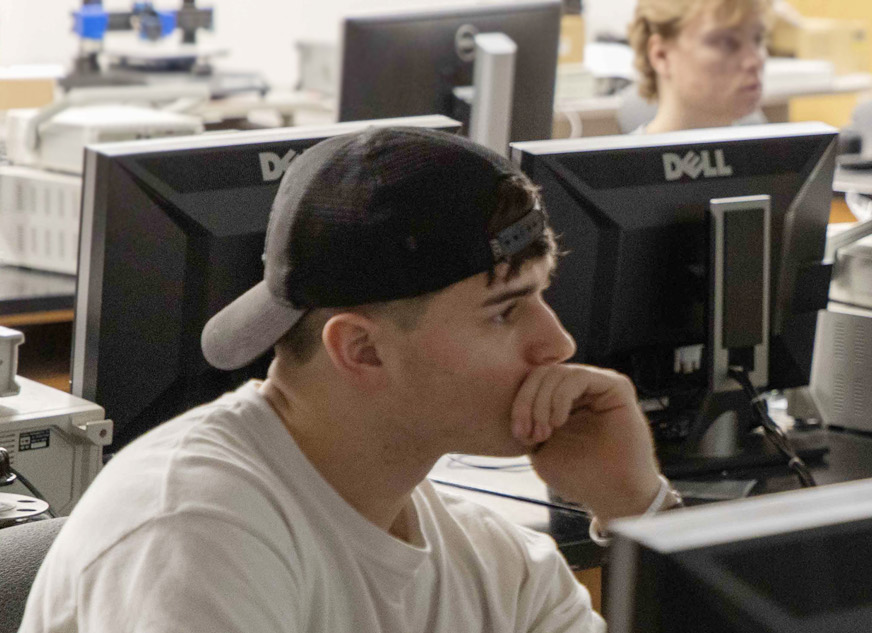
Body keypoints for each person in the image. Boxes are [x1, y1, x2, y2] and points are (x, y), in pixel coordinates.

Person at [22, 127, 673, 632]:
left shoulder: (498, 565)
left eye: (541, 296)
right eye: (504, 311)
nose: (557, 342)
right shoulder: (192, 527)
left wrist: (635, 506)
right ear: (361, 349)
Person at [628, 0, 772, 133]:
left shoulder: (770, 155)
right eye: (726, 42)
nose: (755, 60)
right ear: (661, 55)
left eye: (757, 39)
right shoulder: (626, 160)